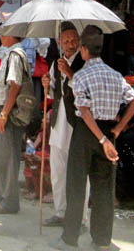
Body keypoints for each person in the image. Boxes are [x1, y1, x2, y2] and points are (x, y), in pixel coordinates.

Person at [51, 25, 134, 251]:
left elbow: (84, 110)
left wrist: (102, 139)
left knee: (76, 187)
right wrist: (117, 130)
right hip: (109, 131)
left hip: (86, 132)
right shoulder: (115, 75)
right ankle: (102, 241)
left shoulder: (81, 76)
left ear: (83, 49)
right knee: (103, 190)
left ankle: (69, 238)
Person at [41, 21, 86, 228]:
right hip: (58, 124)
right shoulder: (57, 63)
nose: (70, 44)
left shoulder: (85, 63)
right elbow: (52, 94)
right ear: (59, 42)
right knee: (58, 171)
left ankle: (81, 218)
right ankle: (60, 212)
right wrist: (46, 85)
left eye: (73, 40)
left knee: (78, 173)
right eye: (66, 41)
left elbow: (85, 90)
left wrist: (69, 73)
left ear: (79, 42)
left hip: (76, 124)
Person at [0, 32, 29, 215]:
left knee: (7, 159)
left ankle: (9, 201)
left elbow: (15, 85)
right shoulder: (10, 53)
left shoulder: (15, 55)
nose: (0, 35)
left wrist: (4, 113)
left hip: (7, 112)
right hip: (1, 110)